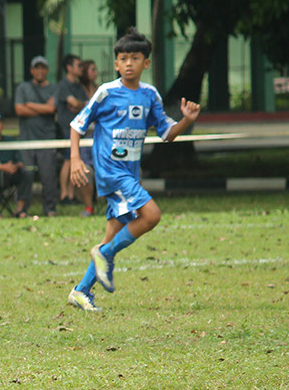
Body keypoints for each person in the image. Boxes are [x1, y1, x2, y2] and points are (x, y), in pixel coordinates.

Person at [67, 28, 200, 313]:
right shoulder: (106, 92)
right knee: (151, 215)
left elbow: (167, 133)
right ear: (116, 63)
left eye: (135, 58)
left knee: (113, 233)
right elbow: (77, 125)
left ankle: (81, 291)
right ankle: (104, 253)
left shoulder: (150, 95)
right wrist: (76, 160)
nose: (129, 63)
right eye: (124, 58)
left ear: (146, 63)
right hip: (110, 171)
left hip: (129, 173)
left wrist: (186, 121)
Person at [14, 55, 58, 218]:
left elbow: (52, 109)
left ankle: (50, 209)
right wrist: (43, 108)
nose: (40, 71)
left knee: (48, 176)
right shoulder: (23, 88)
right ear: (31, 71)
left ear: (47, 71)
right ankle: (22, 209)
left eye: (43, 68)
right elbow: (19, 110)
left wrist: (30, 105)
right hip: (26, 140)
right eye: (36, 68)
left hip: (47, 139)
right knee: (26, 174)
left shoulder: (54, 88)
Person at [54, 54, 93, 214]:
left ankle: (71, 194)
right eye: (78, 65)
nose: (81, 69)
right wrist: (80, 104)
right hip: (66, 129)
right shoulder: (63, 85)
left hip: (80, 129)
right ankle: (64, 194)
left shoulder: (78, 87)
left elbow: (87, 105)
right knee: (68, 160)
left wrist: (79, 105)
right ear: (69, 68)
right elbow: (76, 103)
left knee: (75, 160)